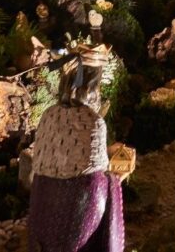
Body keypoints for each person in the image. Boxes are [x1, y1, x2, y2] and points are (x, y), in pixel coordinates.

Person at [26, 46, 125, 252]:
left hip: (45, 194)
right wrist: (115, 179)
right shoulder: (93, 120)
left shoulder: (48, 115)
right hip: (82, 197)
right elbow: (95, 174)